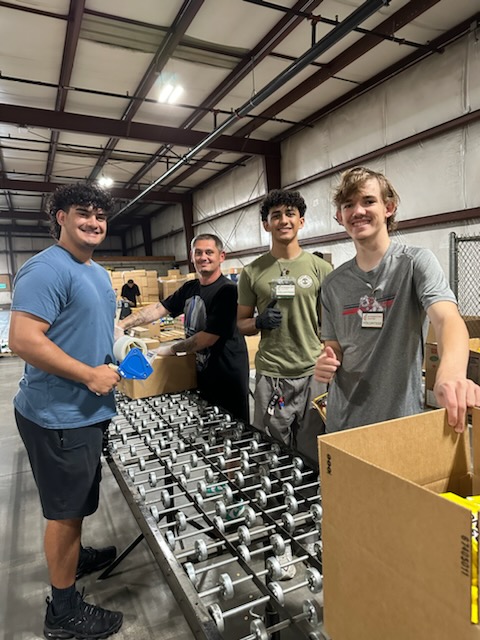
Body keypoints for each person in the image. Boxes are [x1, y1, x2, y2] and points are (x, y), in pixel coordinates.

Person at [9, 183, 123, 639]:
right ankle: (63, 612)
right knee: (64, 513)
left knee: (75, 503)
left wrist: (120, 351)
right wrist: (88, 375)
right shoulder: (45, 269)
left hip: (84, 410)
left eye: (100, 215)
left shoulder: (94, 270)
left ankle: (73, 556)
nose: (93, 222)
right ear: (59, 216)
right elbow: (22, 339)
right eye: (82, 212)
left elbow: (92, 327)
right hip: (58, 414)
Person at [315, 166, 480, 434]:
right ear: (339, 216)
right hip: (342, 422)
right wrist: (326, 359)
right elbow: (334, 346)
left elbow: (447, 317)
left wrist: (450, 373)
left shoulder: (414, 264)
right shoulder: (333, 284)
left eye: (368, 201)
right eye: (348, 205)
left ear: (388, 207)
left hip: (399, 420)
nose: (358, 211)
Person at [237, 188, 332, 457]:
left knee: (313, 449)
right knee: (271, 450)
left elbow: (332, 327)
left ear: (301, 221)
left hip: (312, 373)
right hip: (272, 376)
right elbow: (240, 324)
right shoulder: (252, 272)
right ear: (266, 224)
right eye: (275, 215)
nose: (283, 220)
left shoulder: (320, 269)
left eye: (290, 214)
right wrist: (259, 322)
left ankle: (308, 499)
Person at [116, 233, 250, 423]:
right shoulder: (190, 288)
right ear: (191, 256)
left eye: (209, 252)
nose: (203, 257)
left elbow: (207, 338)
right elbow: (157, 309)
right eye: (198, 252)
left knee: (233, 433)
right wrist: (122, 324)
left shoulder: (227, 291)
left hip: (227, 378)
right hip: (200, 374)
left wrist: (169, 349)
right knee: (208, 429)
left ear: (221, 256)